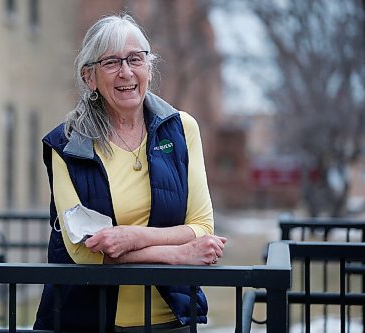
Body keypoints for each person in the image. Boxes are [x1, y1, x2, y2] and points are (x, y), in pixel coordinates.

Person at [34, 14, 227, 333]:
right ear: (89, 77)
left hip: (169, 319)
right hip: (88, 320)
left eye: (135, 59)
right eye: (111, 62)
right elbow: (83, 252)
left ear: (149, 68)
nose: (126, 72)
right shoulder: (66, 144)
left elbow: (202, 226)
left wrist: (131, 237)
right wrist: (177, 255)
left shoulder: (182, 129)